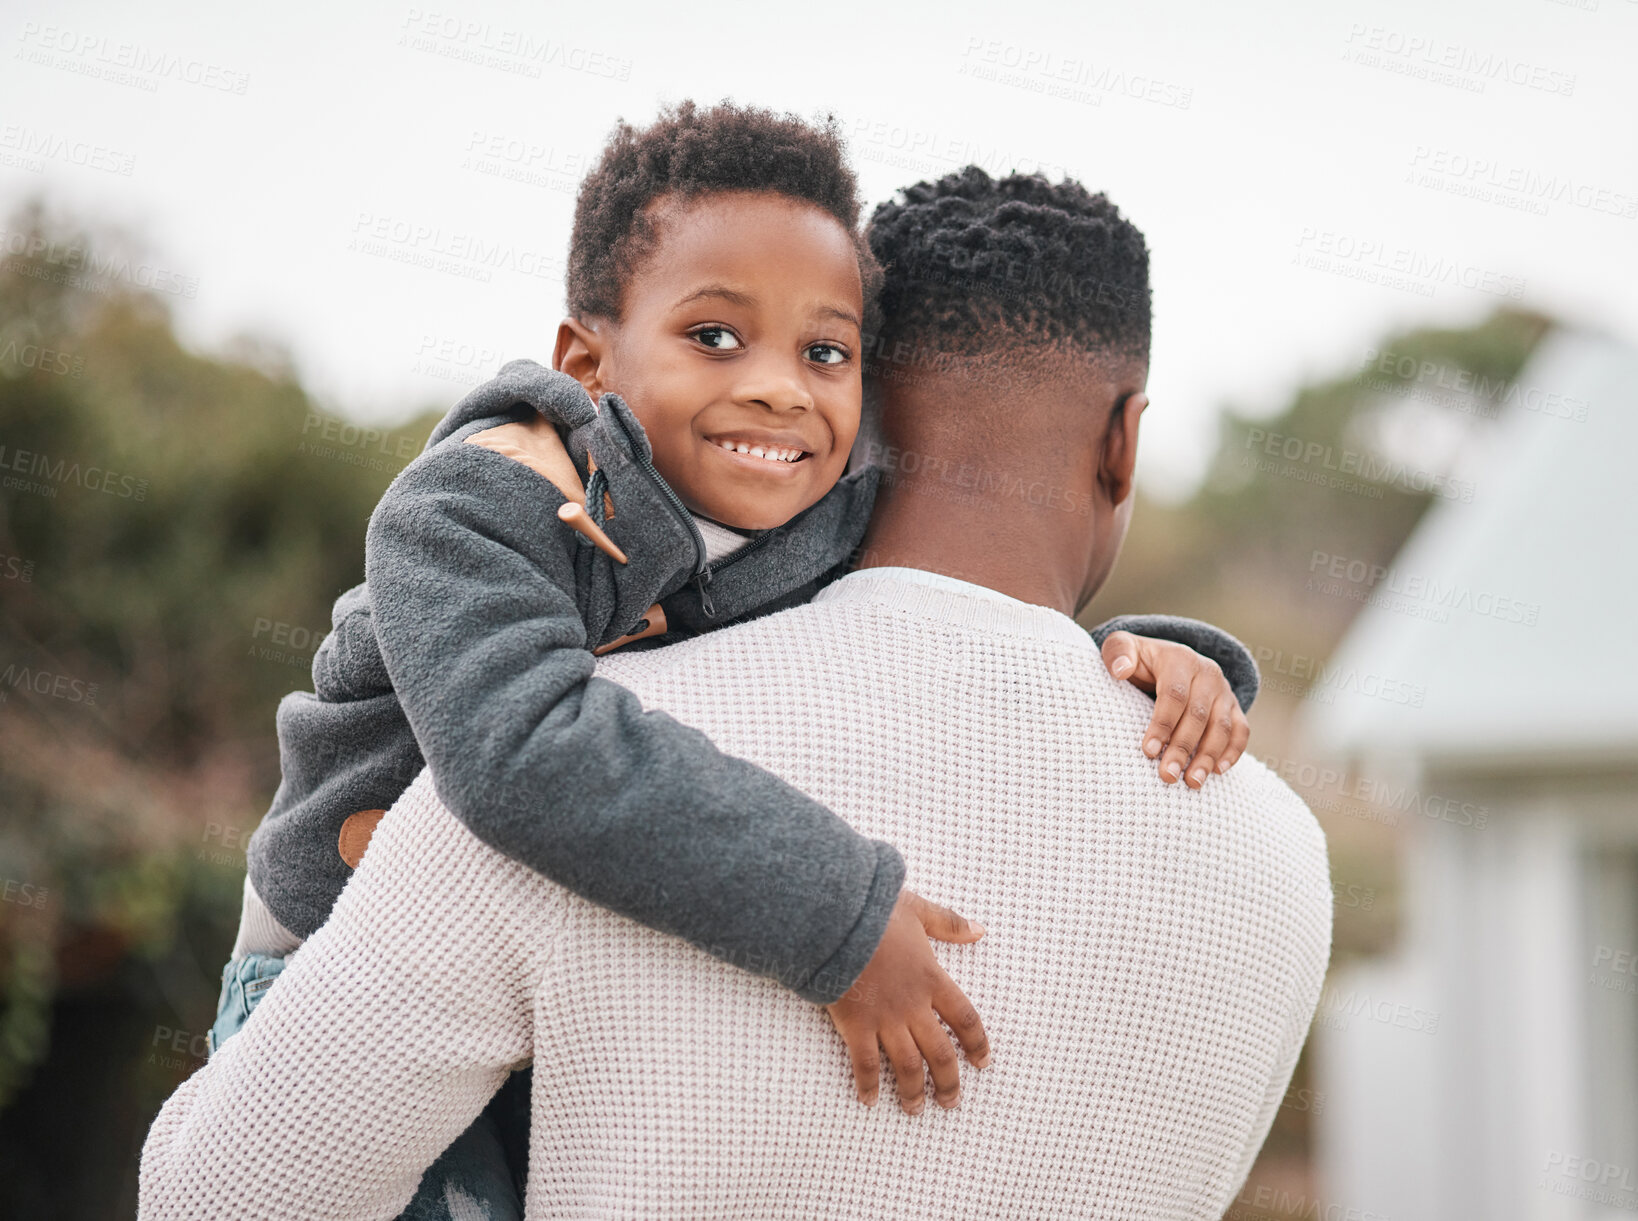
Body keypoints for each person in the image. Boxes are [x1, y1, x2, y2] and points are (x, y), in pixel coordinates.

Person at [139, 166, 1331, 1219]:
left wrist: (1164, 649)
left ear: (866, 407)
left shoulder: (613, 742)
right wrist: (840, 909)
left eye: (822, 355)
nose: (773, 391)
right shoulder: (1283, 855)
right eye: (717, 337)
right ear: (1124, 442)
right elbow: (526, 746)